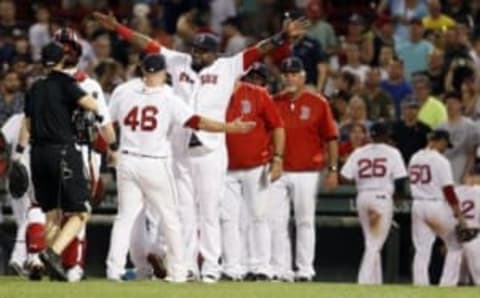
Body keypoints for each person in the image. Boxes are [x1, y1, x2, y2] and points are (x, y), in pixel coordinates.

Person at [93, 10, 308, 283]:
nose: (195, 53)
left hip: (210, 150)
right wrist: (118, 29)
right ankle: (186, 265)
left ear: (214, 53)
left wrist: (283, 37)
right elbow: (147, 44)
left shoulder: (228, 66)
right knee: (183, 211)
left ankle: (210, 266)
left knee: (209, 211)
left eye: (202, 50)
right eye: (194, 48)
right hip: (180, 148)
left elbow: (258, 51)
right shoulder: (179, 61)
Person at [106, 53, 256, 282]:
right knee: (171, 217)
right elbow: (198, 122)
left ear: (142, 70)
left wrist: (111, 147)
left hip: (126, 160)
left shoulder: (123, 90)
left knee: (125, 218)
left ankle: (114, 269)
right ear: (163, 72)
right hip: (154, 161)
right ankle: (177, 271)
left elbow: (106, 123)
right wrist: (229, 128)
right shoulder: (168, 96)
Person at [22, 41, 117, 281]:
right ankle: (53, 254)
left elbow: (27, 124)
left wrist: (20, 152)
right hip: (63, 152)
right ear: (63, 60)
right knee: (80, 211)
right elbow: (93, 105)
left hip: (37, 153)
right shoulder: (67, 83)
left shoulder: (35, 87)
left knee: (52, 213)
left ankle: (41, 265)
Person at [269, 57, 338, 282]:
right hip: (278, 171)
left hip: (307, 171)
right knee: (277, 222)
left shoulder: (318, 103)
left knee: (305, 221)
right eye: (286, 74)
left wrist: (333, 169)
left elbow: (331, 138)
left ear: (303, 77)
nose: (289, 78)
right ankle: (282, 269)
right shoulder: (273, 102)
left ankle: (305, 269)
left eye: (294, 74)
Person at [221, 65, 284, 281]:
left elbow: (277, 126)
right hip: (225, 168)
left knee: (258, 216)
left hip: (256, 165)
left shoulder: (258, 94)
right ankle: (231, 267)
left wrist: (278, 158)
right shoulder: (215, 95)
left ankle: (262, 266)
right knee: (228, 219)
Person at [340, 122, 408, 284]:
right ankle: (363, 283)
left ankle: (375, 284)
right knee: (374, 244)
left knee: (371, 241)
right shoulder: (392, 152)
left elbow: (344, 177)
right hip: (381, 197)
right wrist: (399, 197)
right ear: (386, 136)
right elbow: (400, 179)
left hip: (363, 197)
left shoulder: (359, 152)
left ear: (371, 135)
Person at [409, 129, 467, 286]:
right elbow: (448, 190)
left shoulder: (415, 157)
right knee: (455, 244)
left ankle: (420, 285)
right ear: (439, 140)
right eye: (445, 144)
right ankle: (447, 285)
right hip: (435, 204)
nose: (445, 148)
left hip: (417, 204)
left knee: (422, 249)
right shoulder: (440, 161)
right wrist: (459, 215)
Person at [437, 92, 478, 184]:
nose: (450, 106)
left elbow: (471, 153)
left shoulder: (470, 126)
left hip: (461, 167)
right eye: (447, 103)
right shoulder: (440, 127)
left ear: (461, 104)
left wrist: (467, 173)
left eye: (453, 103)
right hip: (443, 168)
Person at [455, 178, 480, 285]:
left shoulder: (455, 190)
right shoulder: (478, 191)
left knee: (458, 275)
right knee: (477, 274)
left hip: (457, 233)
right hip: (474, 233)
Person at [391, 99, 431, 163]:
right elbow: (392, 145)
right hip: (400, 163)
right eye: (407, 108)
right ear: (403, 110)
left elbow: (428, 148)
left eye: (413, 108)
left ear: (418, 110)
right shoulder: (396, 127)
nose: (410, 111)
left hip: (419, 163)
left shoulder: (425, 129)